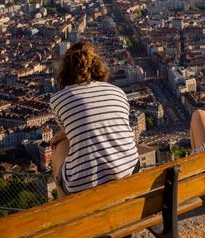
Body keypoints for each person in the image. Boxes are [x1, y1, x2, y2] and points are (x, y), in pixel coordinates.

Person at [49, 42, 139, 196]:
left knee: (60, 145)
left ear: (65, 71)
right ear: (99, 67)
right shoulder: (118, 92)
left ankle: (64, 207)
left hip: (81, 186)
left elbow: (72, 129)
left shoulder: (58, 99)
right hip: (130, 171)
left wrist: (60, 135)